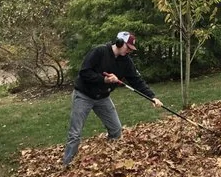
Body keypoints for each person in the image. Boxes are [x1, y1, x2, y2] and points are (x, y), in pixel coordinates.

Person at [61, 30, 163, 166]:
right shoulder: (99, 52)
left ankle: (108, 158)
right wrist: (104, 80)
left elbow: (136, 80)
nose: (129, 51)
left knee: (116, 129)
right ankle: (67, 165)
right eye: (128, 48)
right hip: (84, 95)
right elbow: (84, 72)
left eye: (131, 49)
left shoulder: (126, 61)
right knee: (75, 134)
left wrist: (152, 97)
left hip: (103, 98)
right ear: (119, 43)